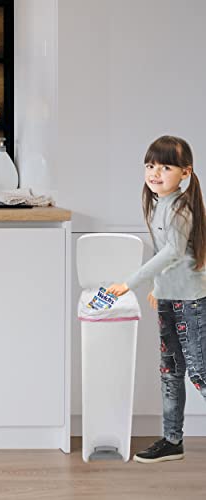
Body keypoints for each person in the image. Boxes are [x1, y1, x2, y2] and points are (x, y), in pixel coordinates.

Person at [107, 135, 206, 464]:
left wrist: (131, 282)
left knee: (200, 373)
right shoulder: (157, 204)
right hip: (169, 297)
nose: (155, 173)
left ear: (185, 173)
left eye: (166, 167)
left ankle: (173, 439)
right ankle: (172, 440)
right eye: (150, 166)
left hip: (190, 301)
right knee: (170, 371)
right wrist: (157, 287)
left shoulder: (180, 207)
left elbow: (174, 252)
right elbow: (166, 255)